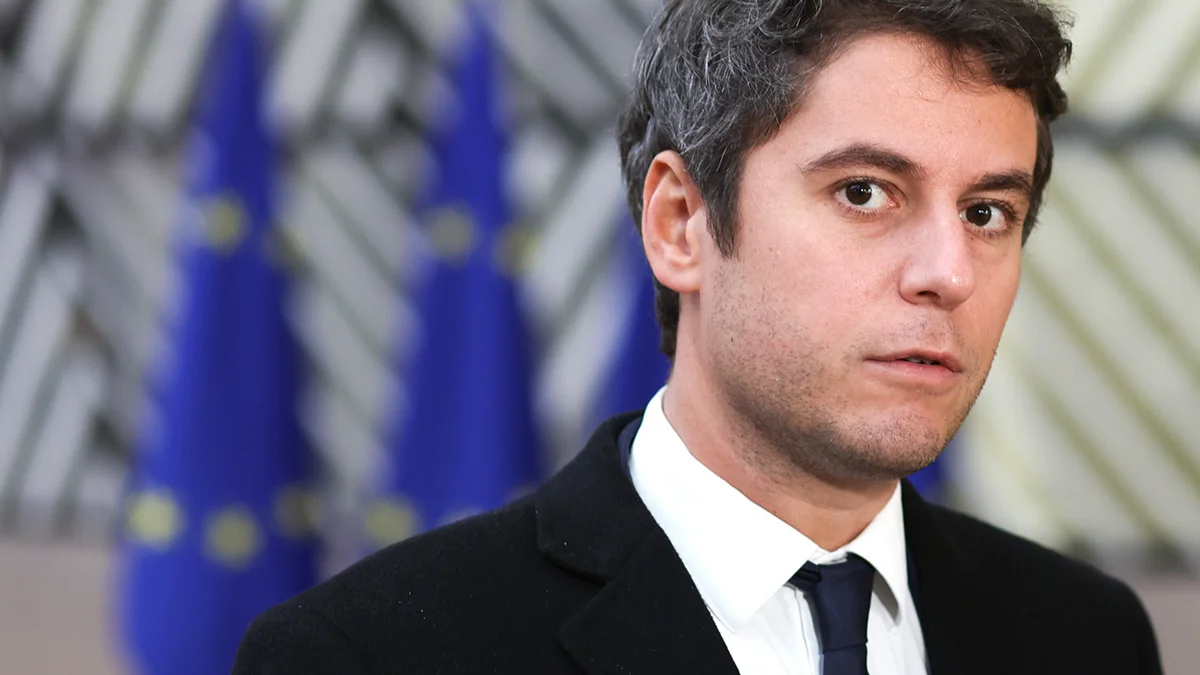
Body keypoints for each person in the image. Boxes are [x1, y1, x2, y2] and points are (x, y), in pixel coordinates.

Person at [233, 1, 1164, 673]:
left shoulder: (1086, 638)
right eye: (865, 192)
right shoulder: (371, 654)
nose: (949, 273)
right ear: (680, 223)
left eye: (988, 211)